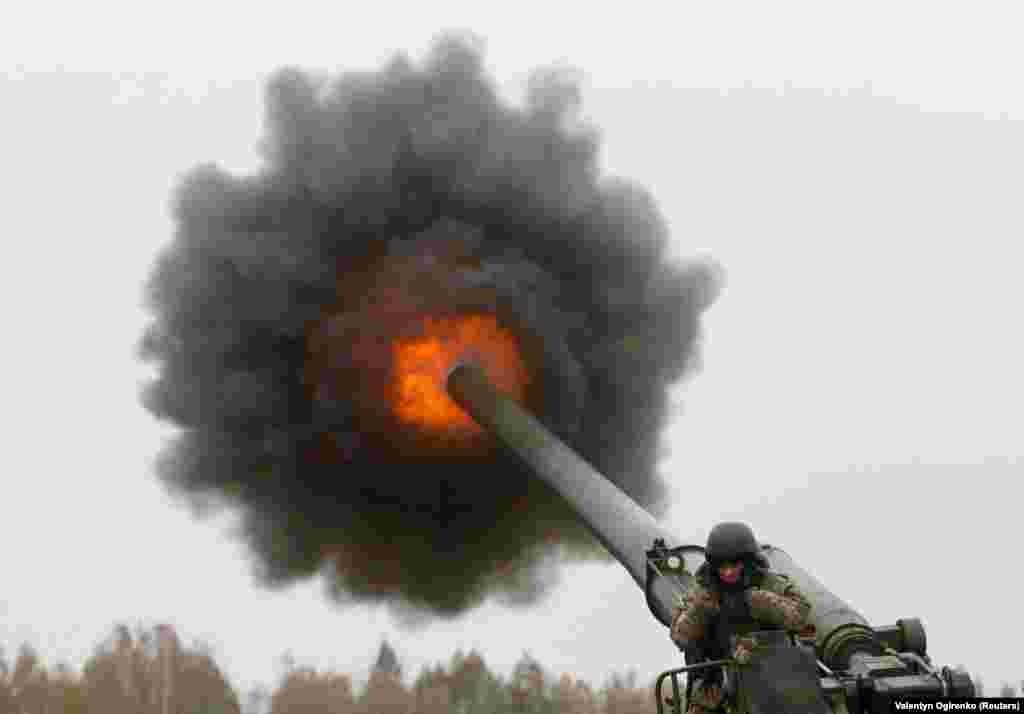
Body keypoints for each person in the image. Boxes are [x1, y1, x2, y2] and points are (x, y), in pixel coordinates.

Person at [670, 522, 812, 713]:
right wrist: (700, 610)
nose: (728, 572)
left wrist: (762, 603)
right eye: (722, 566)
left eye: (734, 564)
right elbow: (679, 636)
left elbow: (800, 616)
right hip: (714, 684)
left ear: (747, 561)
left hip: (770, 679)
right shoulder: (702, 590)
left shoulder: (769, 582)